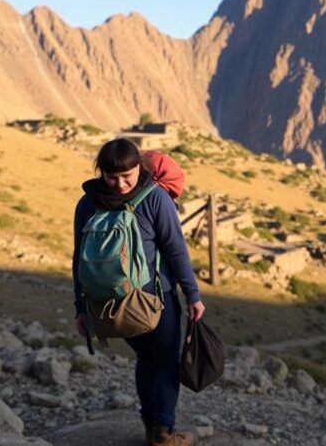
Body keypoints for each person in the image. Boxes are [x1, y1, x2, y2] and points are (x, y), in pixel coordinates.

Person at [72, 138, 204, 446]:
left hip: (110, 303)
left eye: (126, 177)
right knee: (167, 361)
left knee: (146, 359)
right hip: (153, 301)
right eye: (112, 177)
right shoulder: (155, 198)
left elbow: (78, 258)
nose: (119, 184)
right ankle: (163, 433)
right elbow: (176, 252)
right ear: (100, 172)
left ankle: (151, 427)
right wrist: (193, 295)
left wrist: (82, 306)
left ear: (139, 168)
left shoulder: (87, 202)